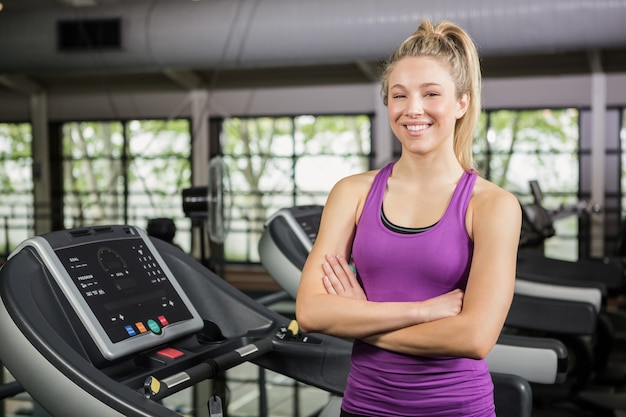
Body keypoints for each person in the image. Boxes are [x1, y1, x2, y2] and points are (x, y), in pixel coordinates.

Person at [295, 19, 522, 417]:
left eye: (431, 93)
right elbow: (311, 312)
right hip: (365, 406)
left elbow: (474, 336)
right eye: (399, 95)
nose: (412, 109)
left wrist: (359, 316)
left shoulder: (492, 206)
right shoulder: (352, 193)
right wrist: (423, 310)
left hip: (455, 408)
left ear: (461, 102)